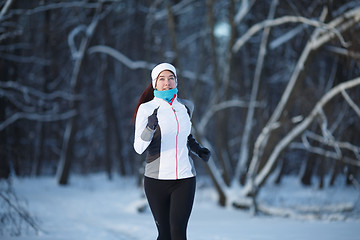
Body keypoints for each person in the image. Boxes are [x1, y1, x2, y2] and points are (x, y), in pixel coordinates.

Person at [133, 63, 211, 240]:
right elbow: (138, 148)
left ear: (176, 81)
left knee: (178, 232)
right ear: (155, 83)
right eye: (162, 79)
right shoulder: (147, 109)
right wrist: (150, 127)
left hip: (184, 179)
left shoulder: (185, 107)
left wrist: (198, 149)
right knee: (165, 234)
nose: (167, 82)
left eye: (171, 78)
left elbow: (185, 137)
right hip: (156, 181)